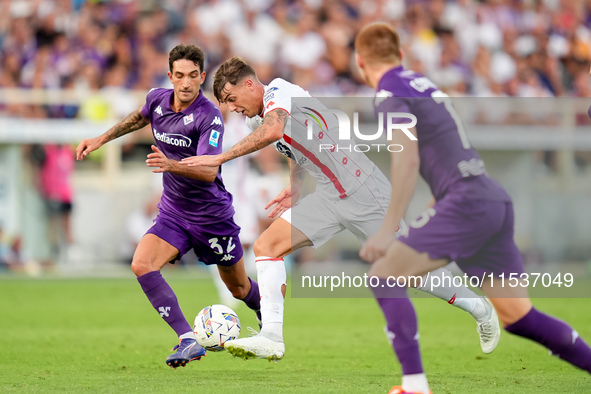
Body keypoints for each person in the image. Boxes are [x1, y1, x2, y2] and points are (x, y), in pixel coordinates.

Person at [180, 57, 500, 361]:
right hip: (328, 196)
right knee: (267, 246)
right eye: (226, 103)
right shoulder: (256, 121)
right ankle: (272, 337)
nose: (233, 108)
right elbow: (290, 146)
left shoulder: (280, 91)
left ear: (249, 84)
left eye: (232, 97)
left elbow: (277, 129)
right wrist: (297, 185)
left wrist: (218, 158)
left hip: (364, 190)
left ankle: (480, 309)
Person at [355, 23, 591, 394]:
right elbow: (448, 155)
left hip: (466, 201)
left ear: (359, 62)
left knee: (384, 275)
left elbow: (406, 159)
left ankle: (414, 385)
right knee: (519, 316)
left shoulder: (388, 92)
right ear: (400, 56)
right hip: (489, 197)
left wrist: (388, 229)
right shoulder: (424, 85)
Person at [75, 44, 261, 369]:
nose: (186, 83)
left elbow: (209, 170)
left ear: (202, 77)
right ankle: (187, 339)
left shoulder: (209, 116)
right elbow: (138, 117)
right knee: (142, 264)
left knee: (240, 288)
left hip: (211, 218)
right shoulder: (157, 99)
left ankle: (271, 316)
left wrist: (171, 165)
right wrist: (101, 139)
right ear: (170, 76)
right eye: (179, 76)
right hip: (174, 214)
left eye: (193, 76)